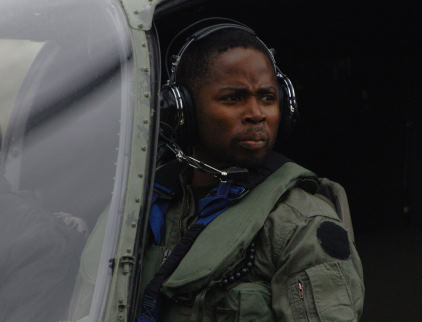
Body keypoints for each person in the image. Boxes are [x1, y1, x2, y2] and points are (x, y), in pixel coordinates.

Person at [138, 18, 364, 321]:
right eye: (233, 98)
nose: (257, 114)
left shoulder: (299, 223)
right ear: (183, 111)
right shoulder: (143, 207)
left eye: (267, 98)